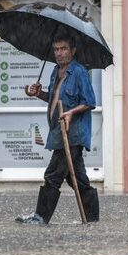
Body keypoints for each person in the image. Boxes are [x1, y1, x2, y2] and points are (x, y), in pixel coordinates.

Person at [15, 34, 100, 225]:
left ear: (73, 51)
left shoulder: (79, 72)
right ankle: (93, 217)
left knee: (52, 175)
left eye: (63, 49)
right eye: (56, 49)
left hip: (72, 133)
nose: (59, 53)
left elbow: (89, 102)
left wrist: (70, 113)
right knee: (76, 179)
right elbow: (54, 100)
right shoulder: (55, 71)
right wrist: (39, 94)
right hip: (57, 132)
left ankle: (40, 217)